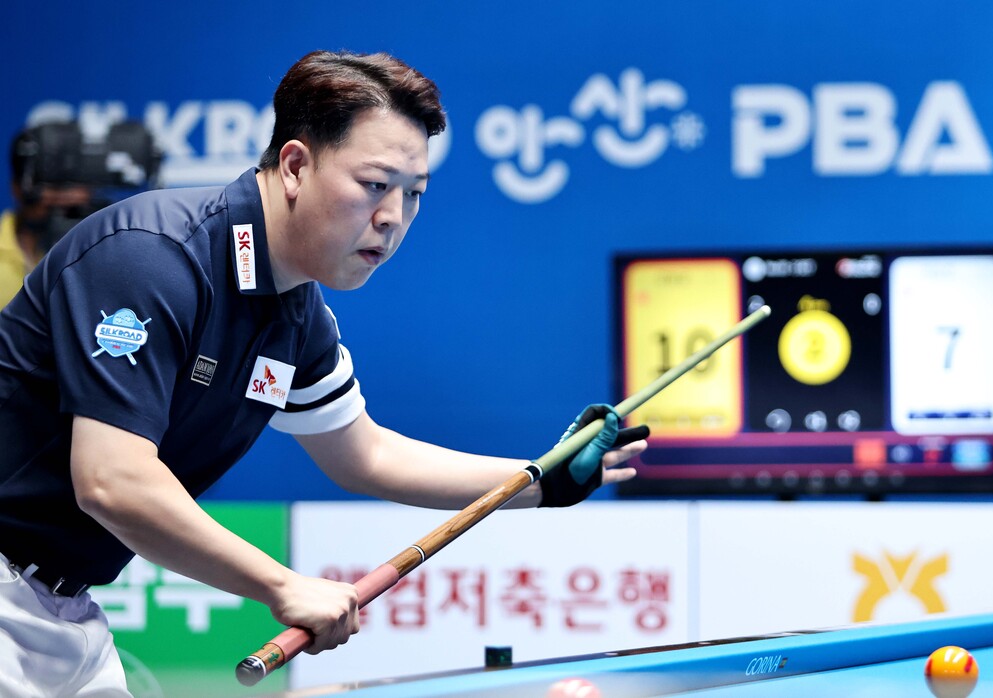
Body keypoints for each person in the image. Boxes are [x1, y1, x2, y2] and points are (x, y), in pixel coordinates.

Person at [0, 50, 647, 696]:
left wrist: (542, 478)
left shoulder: (296, 314)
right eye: (375, 184)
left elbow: (365, 455)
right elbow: (111, 480)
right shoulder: (152, 258)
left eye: (414, 193)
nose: (393, 217)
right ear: (294, 166)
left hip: (64, 612)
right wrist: (281, 585)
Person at [1, 127, 93, 307]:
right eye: (46, 186)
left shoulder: (98, 253)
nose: (61, 199)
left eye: (67, 186)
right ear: (17, 188)